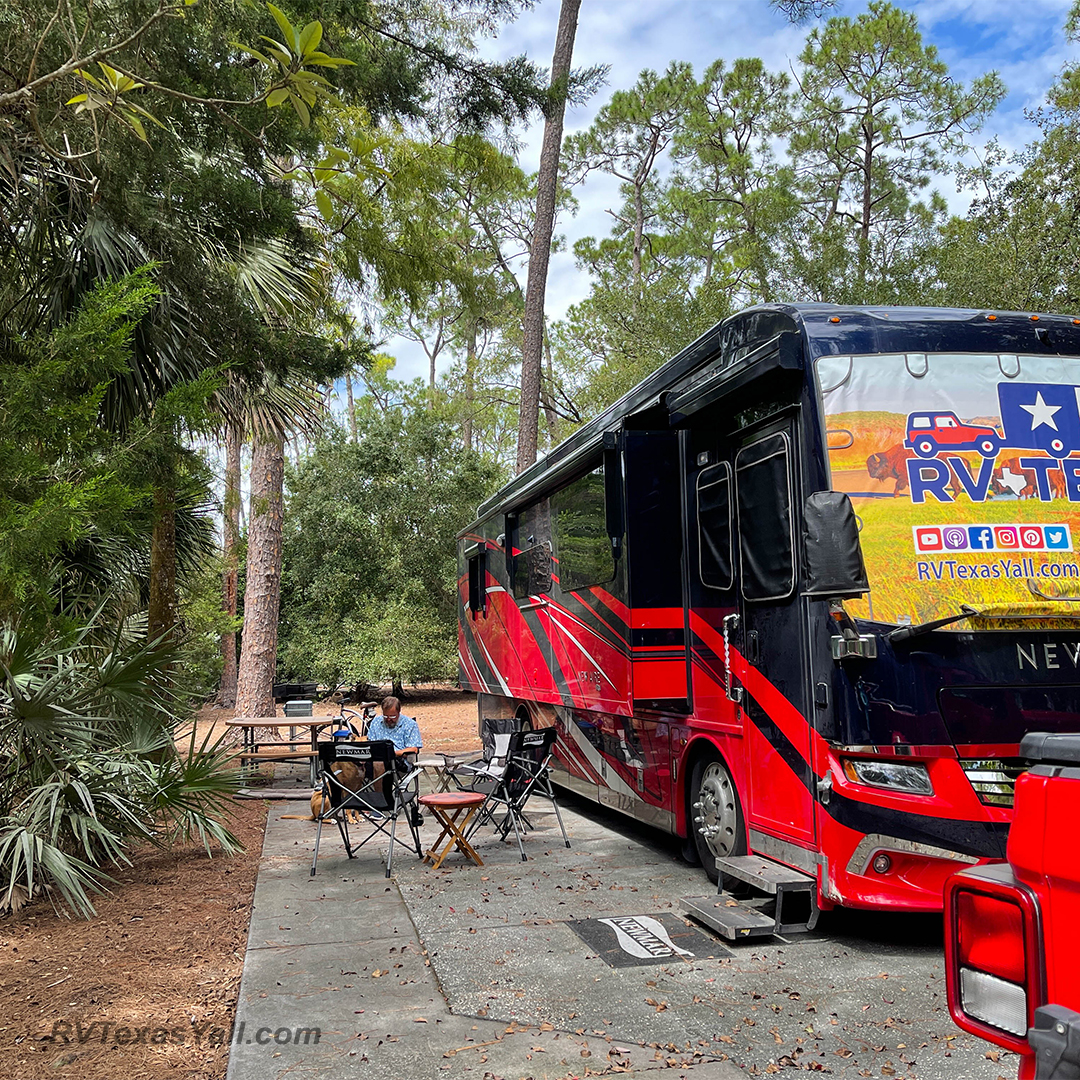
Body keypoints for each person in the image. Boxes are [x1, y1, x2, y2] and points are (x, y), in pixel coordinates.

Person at [366, 696, 424, 827]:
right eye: (385, 716)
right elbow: (369, 743)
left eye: (392, 716)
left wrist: (393, 752)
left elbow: (414, 748)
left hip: (399, 762)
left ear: (399, 712)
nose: (388, 719)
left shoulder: (410, 724)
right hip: (374, 759)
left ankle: (379, 803)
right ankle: (352, 802)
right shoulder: (376, 722)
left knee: (380, 762)